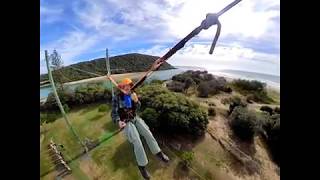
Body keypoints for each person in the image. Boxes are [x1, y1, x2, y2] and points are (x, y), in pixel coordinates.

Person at [109, 59, 169, 179]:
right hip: (126, 122)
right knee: (137, 141)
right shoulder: (117, 98)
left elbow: (139, 106)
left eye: (129, 86)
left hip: (135, 118)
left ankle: (158, 153)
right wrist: (118, 121)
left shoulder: (132, 94)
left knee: (148, 133)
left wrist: (136, 101)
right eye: (125, 86)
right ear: (121, 87)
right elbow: (114, 114)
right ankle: (142, 167)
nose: (128, 87)